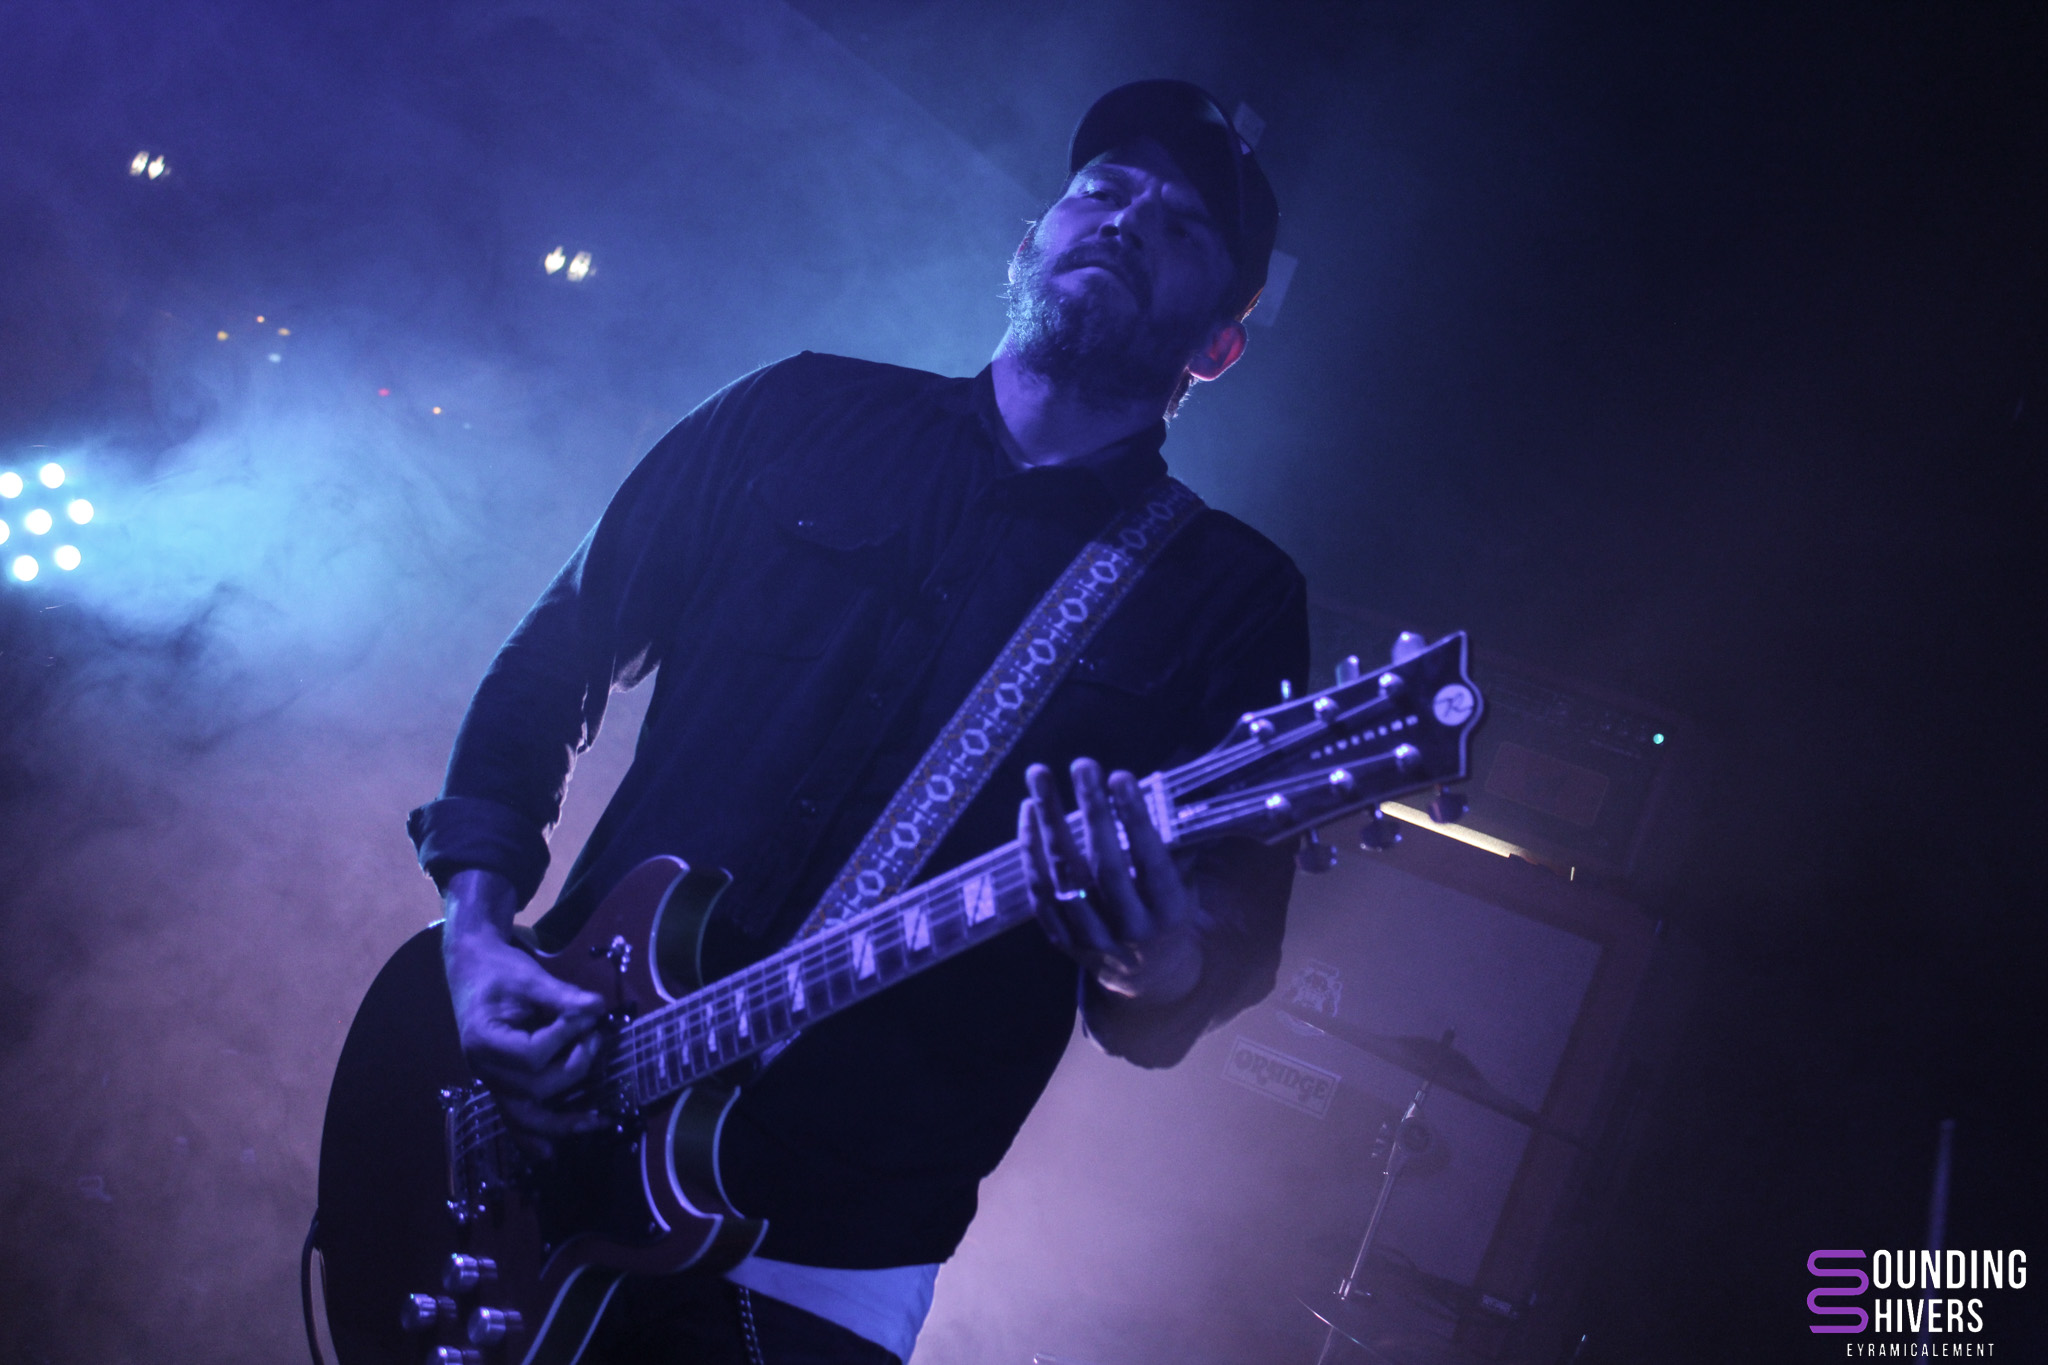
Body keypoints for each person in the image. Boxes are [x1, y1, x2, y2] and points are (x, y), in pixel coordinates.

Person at [406, 79, 1310, 1363]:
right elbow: (557, 655)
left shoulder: (1229, 596)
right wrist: (475, 935)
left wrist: (1152, 956)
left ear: (1216, 347)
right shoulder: (797, 412)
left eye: (1179, 228)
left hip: (823, 1261)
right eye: (1102, 191)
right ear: (1028, 243)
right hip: (551, 1119)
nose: (1124, 222)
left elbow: (1205, 957)